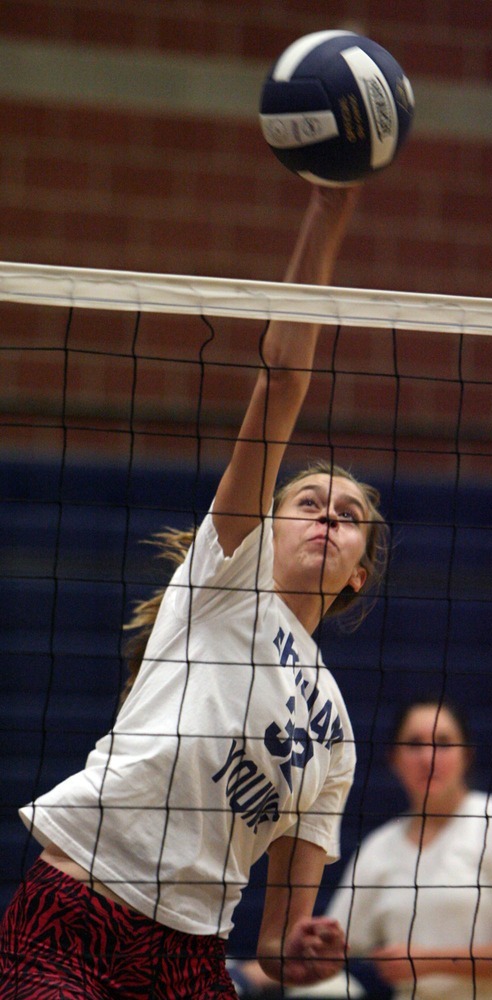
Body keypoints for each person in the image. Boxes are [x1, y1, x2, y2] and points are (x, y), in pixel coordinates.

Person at [0, 185, 390, 1000]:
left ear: (359, 570)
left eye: (348, 515)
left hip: (190, 958)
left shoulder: (340, 738)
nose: (326, 515)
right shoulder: (227, 575)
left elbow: (280, 940)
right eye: (307, 502)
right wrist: (329, 211)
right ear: (267, 529)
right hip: (79, 909)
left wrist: (300, 952)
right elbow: (281, 379)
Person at [327, 698, 492, 1000]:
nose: (428, 757)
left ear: (467, 756)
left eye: (444, 743)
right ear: (393, 758)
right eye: (414, 744)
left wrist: (428, 962)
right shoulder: (379, 847)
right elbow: (329, 950)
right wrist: (245, 973)